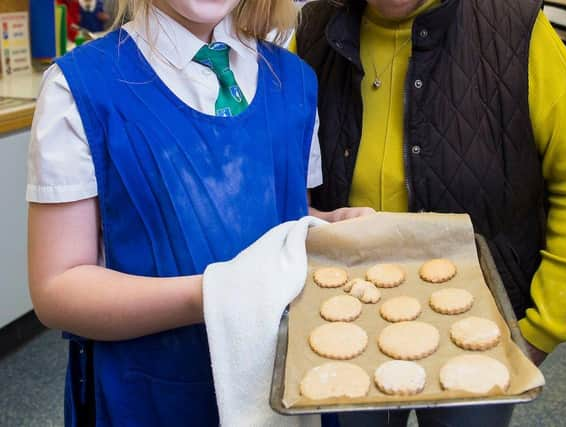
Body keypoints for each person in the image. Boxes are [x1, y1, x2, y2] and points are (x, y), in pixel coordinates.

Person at [27, 0, 368, 425]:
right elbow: (59, 288)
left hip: (283, 386)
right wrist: (220, 295)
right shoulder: (80, 88)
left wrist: (327, 226)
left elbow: (282, 212)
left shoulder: (294, 81)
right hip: (151, 395)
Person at [293, 0, 566, 425]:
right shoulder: (314, 30)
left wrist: (542, 328)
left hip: (482, 330)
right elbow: (287, 172)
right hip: (347, 317)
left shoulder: (516, 30)